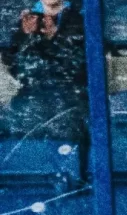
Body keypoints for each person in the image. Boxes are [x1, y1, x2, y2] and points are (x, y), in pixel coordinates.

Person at [1, 0, 87, 143]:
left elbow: (78, 67)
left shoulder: (80, 19)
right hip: (32, 103)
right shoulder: (25, 19)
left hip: (69, 104)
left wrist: (54, 37)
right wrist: (25, 35)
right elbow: (13, 64)